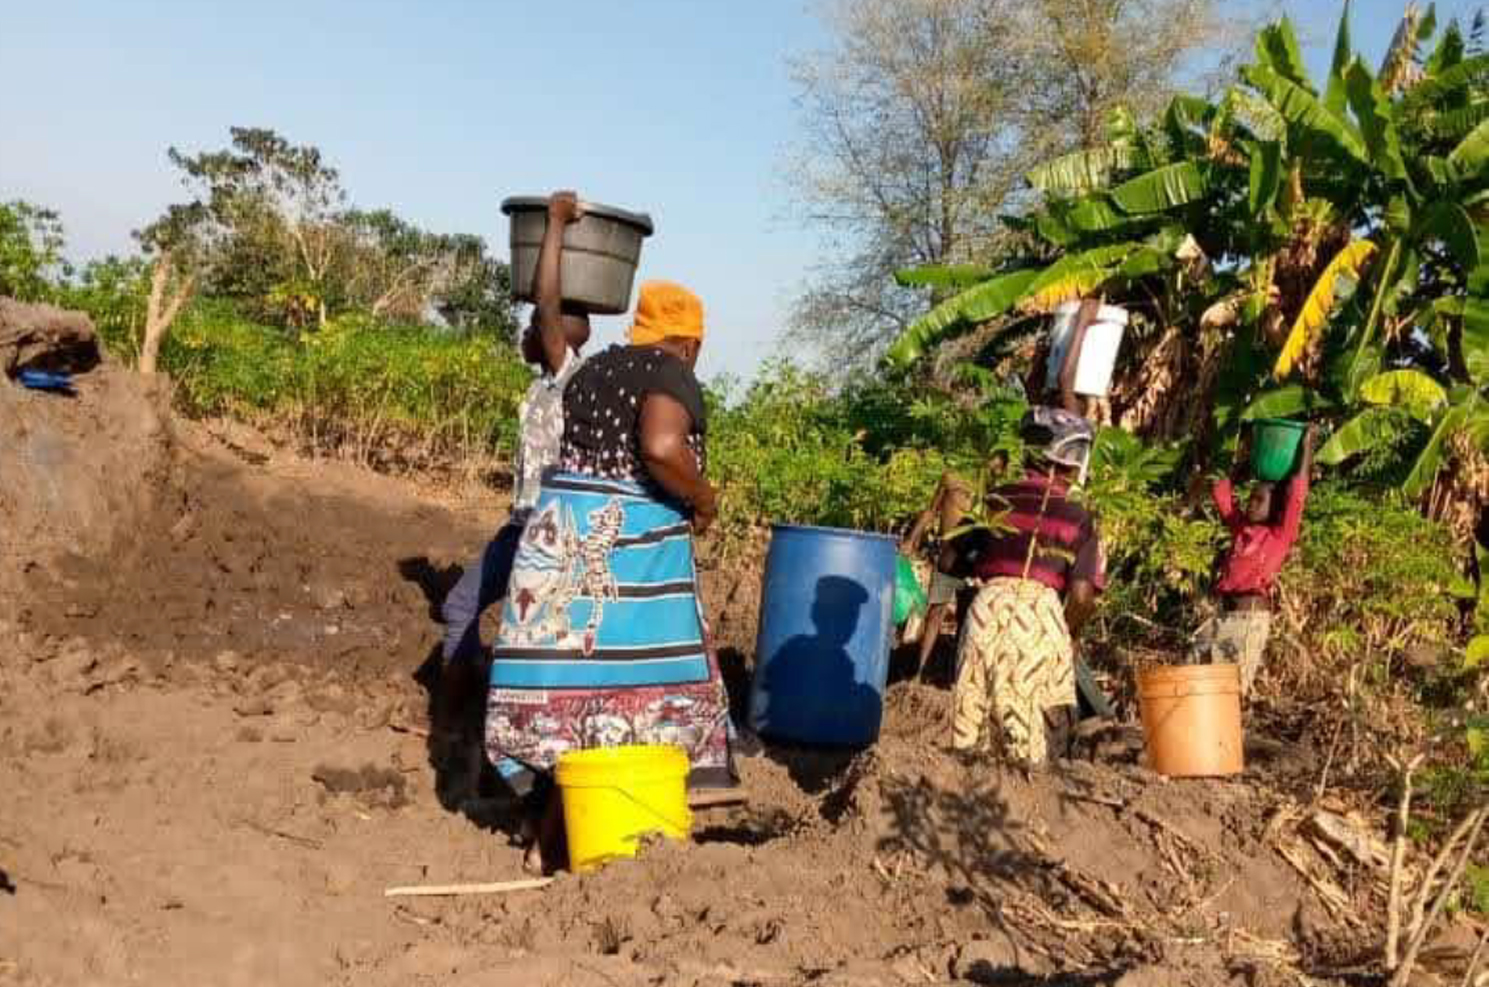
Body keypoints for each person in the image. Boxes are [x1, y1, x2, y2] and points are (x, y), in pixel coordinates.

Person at [485, 279, 734, 872]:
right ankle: (618, 831)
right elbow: (661, 446)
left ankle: (548, 837)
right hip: (627, 558)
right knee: (655, 696)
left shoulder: (596, 372)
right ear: (690, 342)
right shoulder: (671, 372)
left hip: (557, 546)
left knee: (582, 703)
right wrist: (703, 500)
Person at [434, 191, 590, 785]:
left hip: (546, 540)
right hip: (520, 524)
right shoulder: (541, 386)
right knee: (457, 608)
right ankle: (456, 723)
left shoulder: (569, 375)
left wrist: (553, 224)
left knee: (531, 647)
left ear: (561, 337)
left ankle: (492, 745)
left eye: (535, 327)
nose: (527, 332)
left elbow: (548, 303)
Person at [951, 407, 1104, 768]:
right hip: (1039, 618)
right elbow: (1081, 596)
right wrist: (1069, 633)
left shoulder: (996, 500)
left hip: (986, 609)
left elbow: (950, 561)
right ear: (1069, 460)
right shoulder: (1076, 515)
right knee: (1027, 738)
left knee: (972, 731)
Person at [1190, 424, 1315, 697]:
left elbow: (1296, 495)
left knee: (1227, 691)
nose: (1251, 504)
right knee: (1195, 673)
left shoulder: (1279, 536)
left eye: (1259, 500)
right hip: (1224, 616)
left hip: (1248, 622)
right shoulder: (1241, 528)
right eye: (1250, 498)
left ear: (1275, 508)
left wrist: (1306, 448)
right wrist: (1246, 463)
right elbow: (1221, 492)